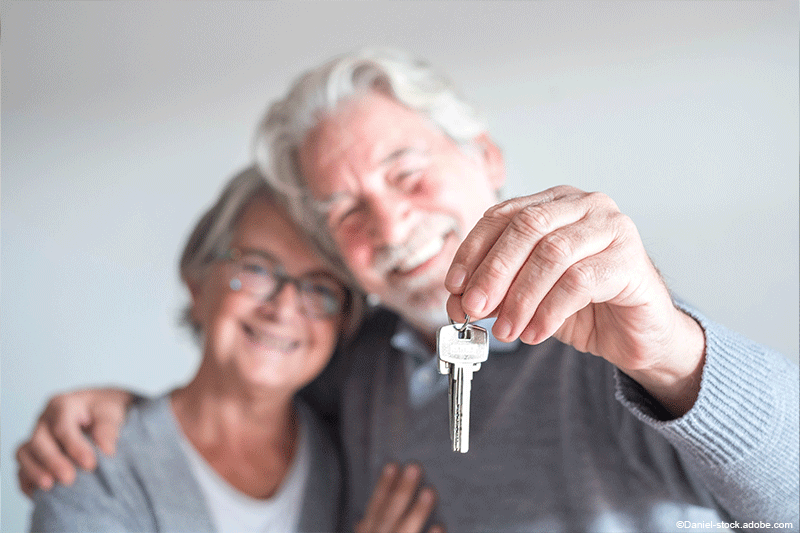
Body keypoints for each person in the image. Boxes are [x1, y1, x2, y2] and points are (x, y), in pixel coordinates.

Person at [19, 49, 799, 532]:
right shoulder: (353, 368)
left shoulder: (623, 339)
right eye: (346, 212)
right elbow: (232, 402)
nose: (391, 225)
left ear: (484, 155)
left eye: (407, 173)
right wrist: (125, 406)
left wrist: (671, 351)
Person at [25, 166, 440, 533]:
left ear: (341, 323)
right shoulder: (93, 463)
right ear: (197, 281)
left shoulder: (348, 452)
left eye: (320, 288)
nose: (282, 308)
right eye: (256, 268)